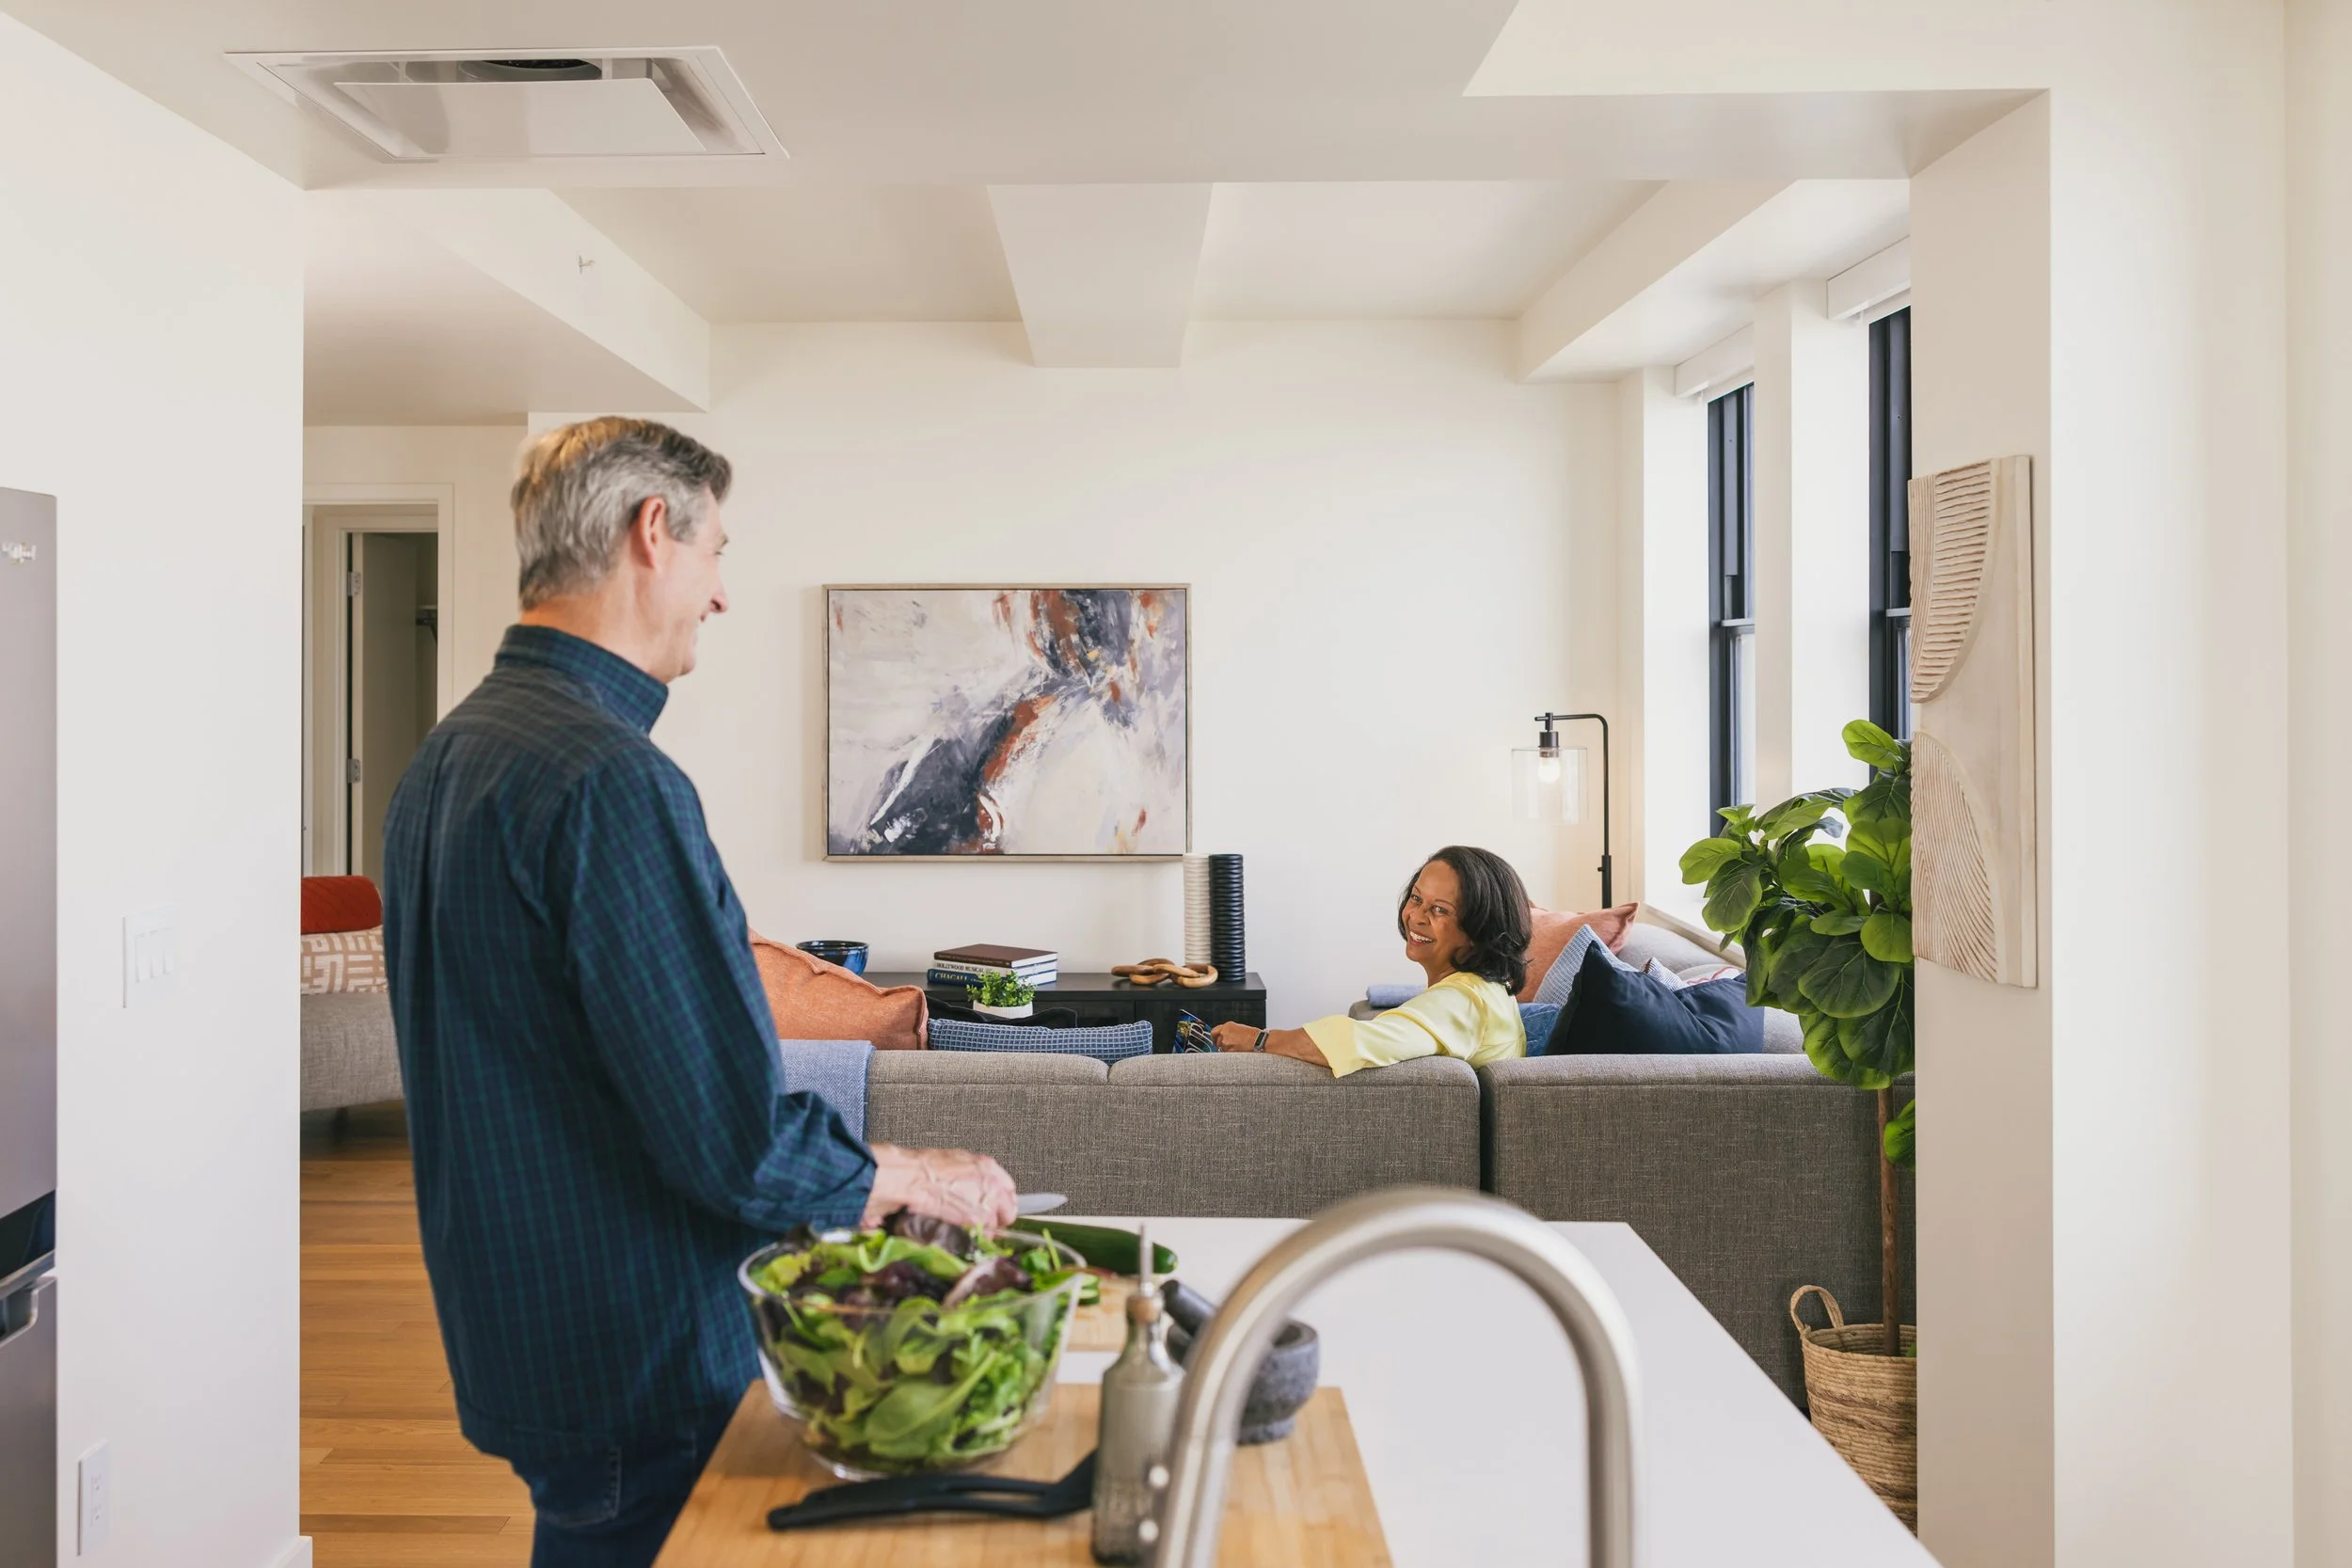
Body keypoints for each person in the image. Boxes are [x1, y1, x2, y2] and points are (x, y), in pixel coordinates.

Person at [379, 418, 1016, 1568]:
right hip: (638, 1345)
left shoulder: (449, 755)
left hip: (524, 1323)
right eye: (719, 551)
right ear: (653, 532)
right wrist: (913, 1175)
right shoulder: (612, 780)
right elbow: (729, 1131)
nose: (722, 595)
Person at [1209, 846, 1529, 1074]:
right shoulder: (1487, 989)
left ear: (1480, 930)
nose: (1416, 916)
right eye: (1416, 898)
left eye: (1440, 909)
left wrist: (1258, 1039)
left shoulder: (1464, 1000)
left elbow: (1359, 1042)